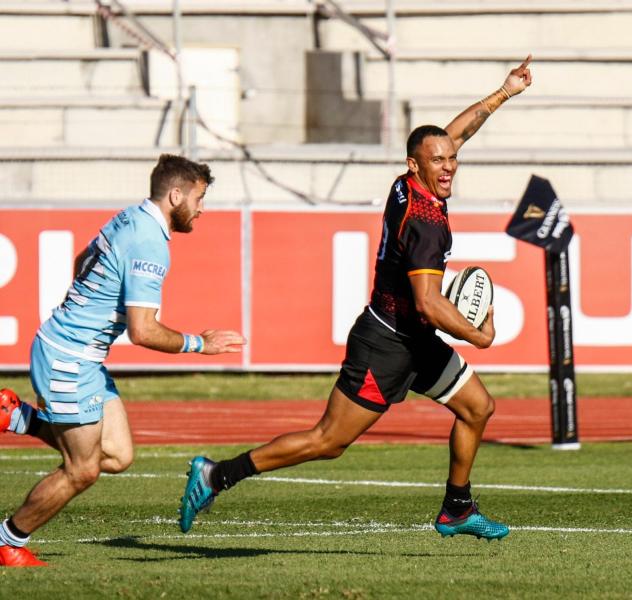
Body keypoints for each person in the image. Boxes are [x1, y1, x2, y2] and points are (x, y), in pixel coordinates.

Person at [179, 56, 534, 540]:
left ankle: (457, 507)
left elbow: (456, 132)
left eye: (453, 158)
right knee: (328, 441)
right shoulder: (425, 224)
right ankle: (215, 475)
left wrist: (504, 92)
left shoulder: (408, 184)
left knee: (477, 408)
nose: (449, 166)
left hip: (414, 337)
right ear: (417, 164)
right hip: (385, 344)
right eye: (439, 160)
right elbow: (429, 303)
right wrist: (480, 336)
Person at [0, 154, 246, 567]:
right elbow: (143, 330)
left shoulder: (131, 217)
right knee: (82, 470)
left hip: (81, 356)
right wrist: (199, 344)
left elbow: (83, 259)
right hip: (69, 358)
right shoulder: (150, 241)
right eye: (199, 199)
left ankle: (16, 417)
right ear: (175, 195)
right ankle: (7, 540)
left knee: (117, 456)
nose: (201, 210)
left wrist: (85, 306)